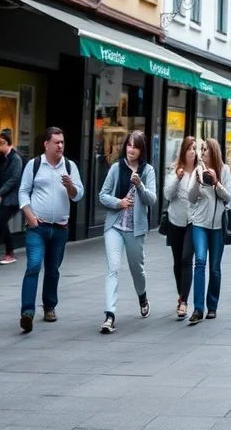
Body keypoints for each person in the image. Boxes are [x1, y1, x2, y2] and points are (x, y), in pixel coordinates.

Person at [17, 127, 84, 333]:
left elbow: (78, 195)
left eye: (62, 142)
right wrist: (29, 214)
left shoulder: (70, 166)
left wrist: (70, 187)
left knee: (53, 270)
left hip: (60, 228)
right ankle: (27, 313)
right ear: (46, 144)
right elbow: (23, 191)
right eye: (56, 142)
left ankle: (49, 307)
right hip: (38, 227)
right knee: (34, 265)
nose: (60, 146)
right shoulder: (34, 164)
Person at [98, 130, 157, 333]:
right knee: (113, 268)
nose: (131, 149)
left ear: (142, 150)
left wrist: (140, 186)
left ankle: (142, 296)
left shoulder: (148, 170)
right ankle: (109, 315)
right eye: (129, 145)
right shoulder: (116, 168)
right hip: (114, 227)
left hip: (135, 229)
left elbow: (152, 200)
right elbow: (103, 195)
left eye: (136, 146)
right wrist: (119, 202)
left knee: (136, 269)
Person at [187, 138, 231, 325]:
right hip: (199, 223)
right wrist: (197, 184)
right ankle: (198, 309)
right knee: (199, 261)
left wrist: (216, 183)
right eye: (201, 149)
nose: (202, 152)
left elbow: (228, 197)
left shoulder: (224, 170)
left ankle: (212, 306)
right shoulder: (197, 170)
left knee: (214, 267)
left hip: (218, 226)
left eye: (205, 149)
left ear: (213, 151)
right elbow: (191, 198)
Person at [163, 136, 197, 319]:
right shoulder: (175, 169)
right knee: (177, 262)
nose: (193, 151)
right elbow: (168, 195)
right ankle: (181, 294)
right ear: (184, 151)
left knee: (186, 259)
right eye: (190, 148)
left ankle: (184, 301)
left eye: (195, 148)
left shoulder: (200, 170)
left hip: (193, 222)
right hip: (175, 221)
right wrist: (177, 177)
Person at [0, 128, 23, 264]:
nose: (0, 145)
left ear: (9, 143)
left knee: (1, 223)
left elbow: (14, 179)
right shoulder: (0, 159)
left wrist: (0, 193)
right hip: (1, 198)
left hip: (12, 199)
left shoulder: (16, 159)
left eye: (2, 142)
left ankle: (10, 253)